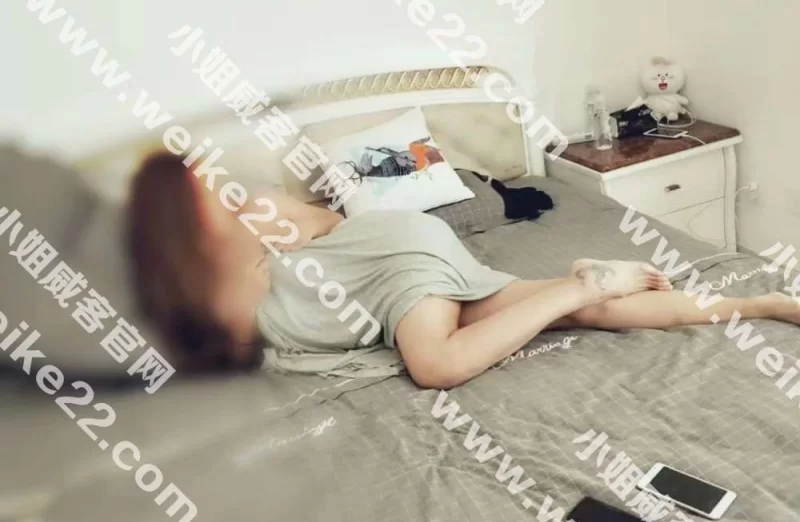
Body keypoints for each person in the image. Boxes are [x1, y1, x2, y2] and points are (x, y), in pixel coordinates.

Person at [128, 152, 800, 389]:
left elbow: (337, 228)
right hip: (392, 262)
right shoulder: (196, 289)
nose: (219, 192)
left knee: (436, 365)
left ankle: (580, 282)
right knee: (585, 314)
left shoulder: (259, 219)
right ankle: (767, 304)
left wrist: (281, 241)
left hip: (389, 259)